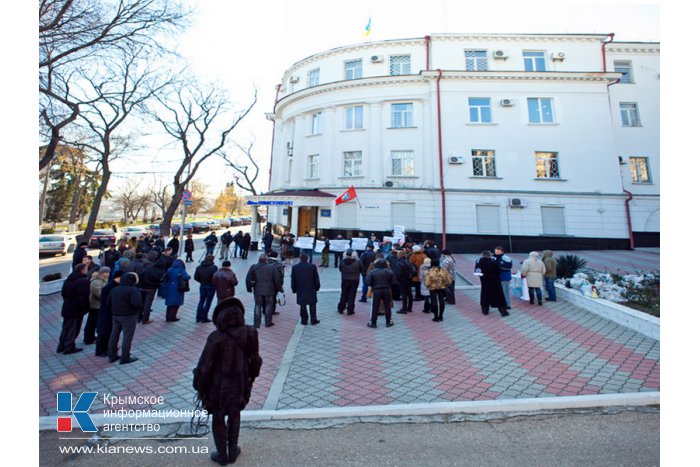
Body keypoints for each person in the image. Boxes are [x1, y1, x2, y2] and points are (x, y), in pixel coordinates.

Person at [193, 298, 262, 466]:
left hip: (218, 386)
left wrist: (199, 385)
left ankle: (222, 455)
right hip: (240, 382)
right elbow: (255, 360)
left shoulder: (216, 337)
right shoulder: (250, 332)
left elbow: (205, 366)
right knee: (235, 413)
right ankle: (233, 449)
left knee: (217, 417)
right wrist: (251, 377)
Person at [107, 272, 143, 364]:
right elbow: (137, 304)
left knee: (114, 335)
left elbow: (108, 302)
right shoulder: (133, 290)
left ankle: (112, 355)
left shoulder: (114, 289)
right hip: (129, 316)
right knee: (127, 336)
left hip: (115, 315)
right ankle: (125, 357)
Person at [56, 264, 90, 355]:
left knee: (66, 327)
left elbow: (63, 293)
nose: (86, 270)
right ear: (82, 270)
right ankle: (69, 346)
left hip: (67, 306)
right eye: (85, 269)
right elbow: (84, 297)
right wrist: (85, 307)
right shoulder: (83, 281)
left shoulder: (68, 280)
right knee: (73, 328)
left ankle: (61, 345)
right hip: (76, 308)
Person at [245, 254, 283, 328]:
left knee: (257, 305)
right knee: (269, 305)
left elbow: (248, 279)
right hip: (270, 290)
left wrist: (249, 289)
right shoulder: (272, 267)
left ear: (259, 259)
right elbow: (277, 279)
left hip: (258, 289)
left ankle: (256, 324)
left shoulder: (253, 267)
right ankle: (268, 322)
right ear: (267, 260)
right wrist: (279, 288)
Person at [95, 270, 123, 357]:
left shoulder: (114, 285)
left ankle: (107, 348)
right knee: (104, 332)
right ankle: (101, 350)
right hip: (106, 312)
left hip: (109, 311)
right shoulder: (110, 287)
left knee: (109, 331)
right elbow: (105, 300)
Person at [475, 250, 509, 316]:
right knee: (499, 296)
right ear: (490, 255)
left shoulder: (479, 261)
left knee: (485, 295)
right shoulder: (494, 261)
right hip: (495, 281)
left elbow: (477, 272)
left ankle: (485, 310)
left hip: (485, 281)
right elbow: (499, 271)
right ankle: (503, 311)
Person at [291, 253, 321, 325]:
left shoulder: (295, 267)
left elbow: (293, 280)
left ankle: (304, 320)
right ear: (307, 259)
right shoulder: (312, 267)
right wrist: (317, 287)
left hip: (300, 288)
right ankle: (313, 320)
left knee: (302, 305)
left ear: (300, 259)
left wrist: (294, 289)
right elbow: (316, 278)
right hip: (311, 287)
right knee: (312, 304)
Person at [366, 258, 394, 328]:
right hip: (386, 289)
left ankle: (373, 322)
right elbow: (393, 282)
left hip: (376, 290)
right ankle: (388, 321)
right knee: (387, 306)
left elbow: (368, 282)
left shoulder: (372, 272)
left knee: (375, 306)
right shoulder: (389, 272)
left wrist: (372, 285)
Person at [86, 266, 110, 344]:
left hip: (98, 305)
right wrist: (106, 299)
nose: (108, 274)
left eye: (108, 272)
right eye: (106, 272)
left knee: (94, 322)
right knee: (92, 322)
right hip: (95, 305)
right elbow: (98, 294)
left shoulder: (103, 280)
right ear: (102, 273)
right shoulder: (96, 281)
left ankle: (91, 337)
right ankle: (89, 338)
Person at [194, 255, 219, 323]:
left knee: (201, 301)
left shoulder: (199, 267)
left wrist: (201, 281)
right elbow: (215, 277)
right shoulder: (213, 267)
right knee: (208, 302)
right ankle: (204, 317)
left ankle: (198, 317)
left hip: (202, 285)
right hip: (210, 286)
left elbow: (196, 277)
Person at [337, 249, 361, 315]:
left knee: (344, 294)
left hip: (345, 279)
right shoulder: (358, 262)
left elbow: (340, 269)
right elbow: (362, 269)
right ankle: (350, 310)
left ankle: (341, 308)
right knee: (352, 295)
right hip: (355, 280)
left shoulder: (342, 261)